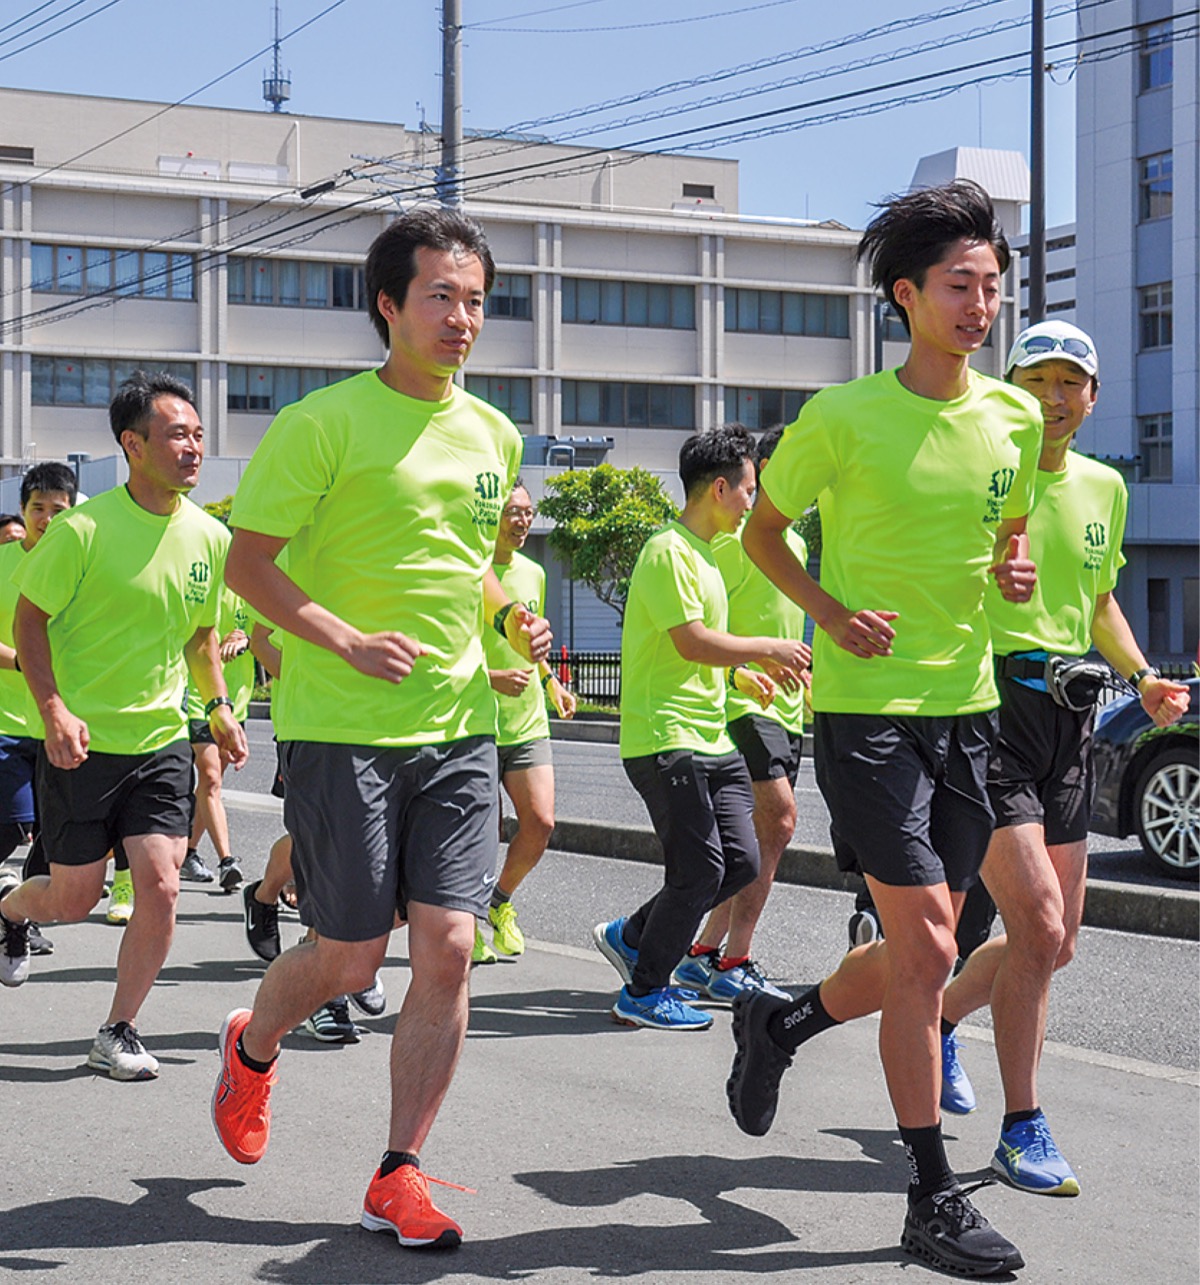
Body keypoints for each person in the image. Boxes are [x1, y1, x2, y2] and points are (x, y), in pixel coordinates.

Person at [211, 207, 551, 1251]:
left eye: (477, 300)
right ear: (389, 305)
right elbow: (248, 565)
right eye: (441, 296)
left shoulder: (493, 432)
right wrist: (345, 638)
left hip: (459, 724)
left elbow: (468, 562)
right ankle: (252, 1042)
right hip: (341, 724)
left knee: (448, 947)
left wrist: (508, 615)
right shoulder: (322, 424)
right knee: (353, 959)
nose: (463, 318)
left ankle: (398, 1171)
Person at [724, 181, 1040, 1278]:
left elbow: (1002, 542)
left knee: (918, 951)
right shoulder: (842, 418)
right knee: (935, 948)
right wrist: (826, 613)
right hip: (868, 715)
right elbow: (764, 534)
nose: (980, 305)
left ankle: (783, 1022)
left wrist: (1012, 571)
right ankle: (930, 1193)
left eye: (992, 286)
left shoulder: (1014, 419)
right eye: (959, 285)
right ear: (906, 296)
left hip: (969, 710)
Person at [935, 320, 1190, 1192]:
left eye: (1069, 381)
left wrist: (1143, 677)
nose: (1053, 396)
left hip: (1071, 718)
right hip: (990, 709)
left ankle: (939, 1020)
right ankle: (1023, 1126)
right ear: (1008, 389)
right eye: (1037, 379)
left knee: (1057, 943)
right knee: (1038, 929)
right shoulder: (976, 473)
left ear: (1092, 397)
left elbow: (1100, 598)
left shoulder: (1104, 486)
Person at [0, 370, 247, 1082]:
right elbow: (29, 621)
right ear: (132, 445)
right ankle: (11, 911)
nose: (193, 447)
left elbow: (201, 638)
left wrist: (219, 707)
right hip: (81, 745)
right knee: (72, 897)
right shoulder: (81, 530)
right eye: (177, 434)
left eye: (198, 434)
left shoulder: (209, 536)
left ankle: (119, 1027)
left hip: (160, 742)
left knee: (162, 884)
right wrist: (53, 709)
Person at [592, 424, 809, 1032]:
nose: (751, 501)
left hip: (711, 737)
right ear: (719, 488)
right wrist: (768, 648)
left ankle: (633, 935)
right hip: (666, 738)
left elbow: (697, 652)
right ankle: (643, 991)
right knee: (700, 870)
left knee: (740, 861)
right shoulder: (667, 551)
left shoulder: (707, 557)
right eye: (748, 489)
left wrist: (741, 676)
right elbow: (691, 642)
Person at [675, 425, 808, 1003]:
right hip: (741, 703)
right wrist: (742, 671)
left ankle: (703, 953)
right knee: (778, 820)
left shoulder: (794, 543)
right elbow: (703, 626)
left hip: (787, 709)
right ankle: (733, 957)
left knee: (758, 841)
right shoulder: (734, 540)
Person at [477, 480, 576, 964]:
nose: (522, 521)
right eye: (512, 512)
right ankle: (466, 922)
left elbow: (532, 642)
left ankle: (498, 902)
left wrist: (551, 681)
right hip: (476, 721)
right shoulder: (469, 573)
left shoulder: (534, 574)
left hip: (528, 722)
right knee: (482, 834)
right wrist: (491, 677)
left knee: (540, 822)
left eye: (528, 512)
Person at [0, 463, 79, 953]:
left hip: (62, 721)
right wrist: (26, 664)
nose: (48, 519)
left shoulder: (83, 561)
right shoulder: (3, 563)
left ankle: (19, 917)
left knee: (53, 830)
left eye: (59, 510)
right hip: (7, 720)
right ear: (23, 510)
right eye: (38, 508)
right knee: (13, 824)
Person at [178, 583, 254, 890]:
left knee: (211, 785)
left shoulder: (253, 584)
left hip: (237, 700)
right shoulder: (204, 581)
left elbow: (270, 634)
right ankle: (227, 861)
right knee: (210, 778)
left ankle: (188, 852)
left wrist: (247, 640)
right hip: (201, 696)